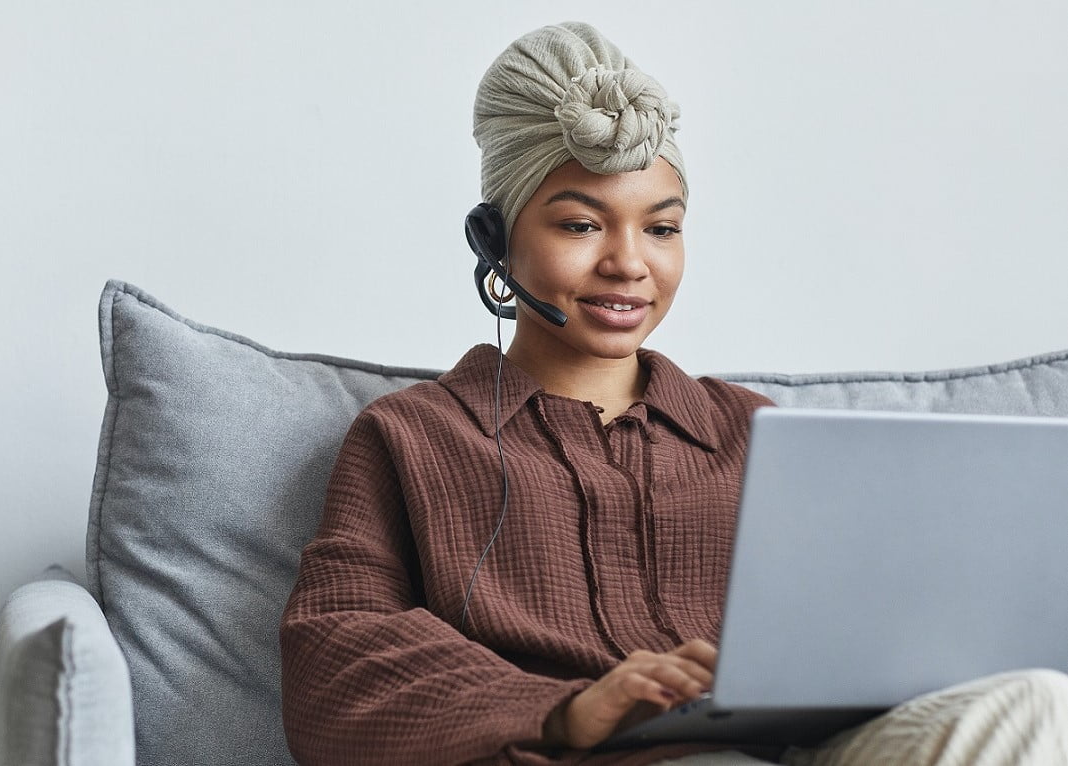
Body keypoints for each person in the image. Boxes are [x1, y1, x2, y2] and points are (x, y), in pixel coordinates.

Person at [279, 21, 1068, 766]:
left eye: (660, 228)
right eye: (581, 225)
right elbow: (335, 654)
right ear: (495, 239)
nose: (630, 264)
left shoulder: (749, 430)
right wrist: (566, 709)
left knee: (1038, 705)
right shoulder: (412, 437)